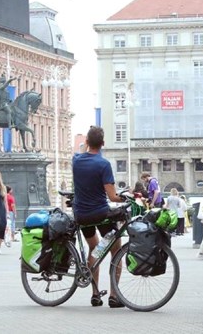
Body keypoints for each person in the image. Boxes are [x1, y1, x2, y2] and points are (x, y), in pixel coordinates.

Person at [72, 126, 125, 308]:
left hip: (81, 214)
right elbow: (112, 196)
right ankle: (114, 296)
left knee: (94, 248)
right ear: (102, 144)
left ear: (86, 142)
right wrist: (125, 196)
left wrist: (84, 145)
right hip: (100, 214)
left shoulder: (76, 160)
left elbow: (80, 152)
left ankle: (95, 294)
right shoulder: (103, 164)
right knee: (115, 251)